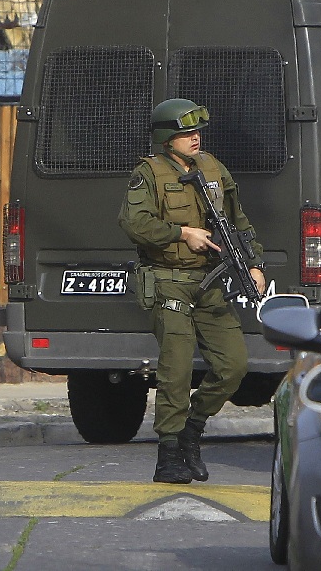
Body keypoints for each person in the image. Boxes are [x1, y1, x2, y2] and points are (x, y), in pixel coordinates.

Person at [118, 98, 267, 484]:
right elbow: (134, 223)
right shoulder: (148, 173)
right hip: (169, 280)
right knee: (177, 368)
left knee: (233, 365)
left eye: (197, 131)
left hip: (210, 282)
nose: (195, 138)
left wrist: (254, 263)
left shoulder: (212, 167)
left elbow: (238, 219)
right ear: (167, 139)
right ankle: (169, 452)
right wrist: (182, 233)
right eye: (186, 133)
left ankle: (192, 428)